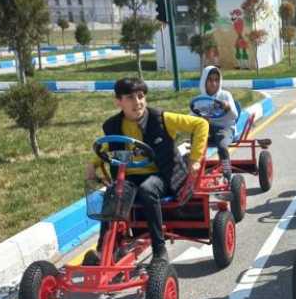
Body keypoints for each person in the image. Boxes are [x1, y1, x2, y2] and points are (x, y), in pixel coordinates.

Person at [84, 77, 209, 262]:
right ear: (119, 102)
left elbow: (201, 124)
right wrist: (92, 164)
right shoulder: (112, 125)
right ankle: (103, 251)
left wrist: (195, 159)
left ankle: (159, 250)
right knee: (113, 192)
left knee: (147, 189)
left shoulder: (162, 119)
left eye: (141, 96)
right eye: (130, 98)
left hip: (163, 175)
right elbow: (106, 148)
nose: (137, 102)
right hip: (131, 176)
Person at [190, 65, 238, 182]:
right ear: (204, 81)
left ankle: (227, 173)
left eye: (216, 80)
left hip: (225, 128)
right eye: (210, 80)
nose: (214, 83)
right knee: (194, 137)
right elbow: (191, 118)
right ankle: (196, 170)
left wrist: (227, 107)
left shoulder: (225, 95)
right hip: (207, 129)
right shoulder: (199, 100)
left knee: (221, 146)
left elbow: (234, 116)